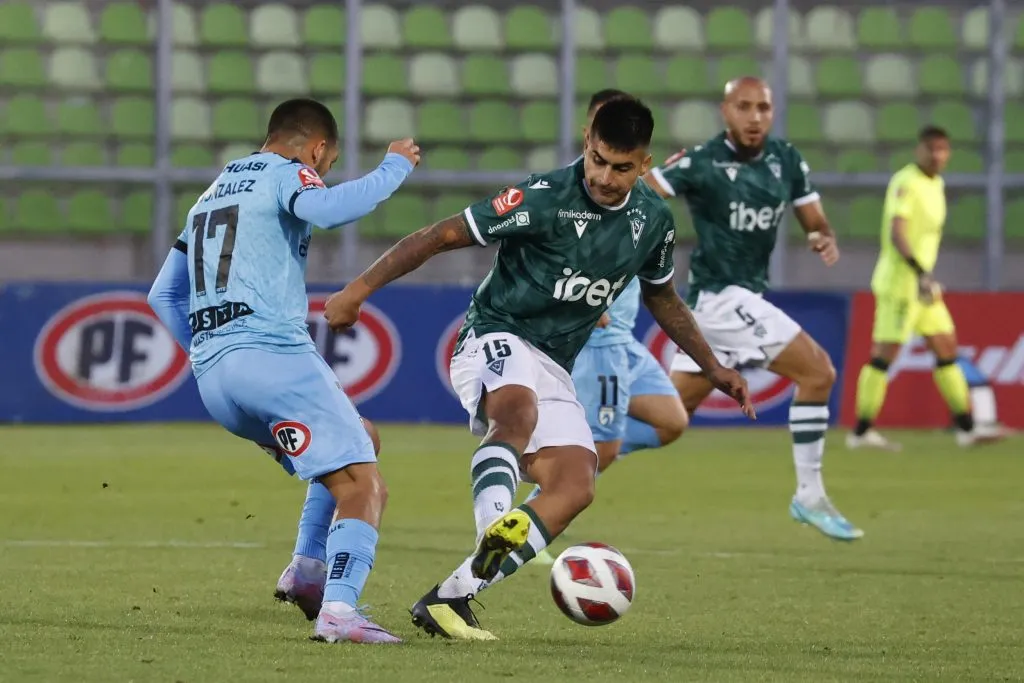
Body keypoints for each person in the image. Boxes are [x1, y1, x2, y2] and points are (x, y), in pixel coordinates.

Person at [322, 97, 754, 640]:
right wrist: (357, 291)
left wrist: (711, 365)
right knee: (516, 412)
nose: (605, 176)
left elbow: (663, 297)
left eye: (621, 167)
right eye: (598, 159)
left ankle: (452, 597)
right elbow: (440, 236)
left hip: (554, 362)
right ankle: (492, 525)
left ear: (645, 164)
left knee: (576, 484)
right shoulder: (542, 197)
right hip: (492, 334)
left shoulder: (653, 221)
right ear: (586, 142)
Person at [146, 98, 420, 643]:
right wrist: (395, 166)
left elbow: (163, 294)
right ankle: (340, 613)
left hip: (218, 383)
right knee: (365, 486)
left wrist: (207, 353)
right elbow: (327, 210)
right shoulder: (289, 174)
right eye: (328, 164)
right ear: (317, 149)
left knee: (357, 438)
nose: (322, 174)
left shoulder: (211, 192)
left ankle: (307, 567)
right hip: (272, 357)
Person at [643, 77, 863, 542]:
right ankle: (809, 494)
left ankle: (561, 474)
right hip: (721, 298)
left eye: (762, 106)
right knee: (818, 373)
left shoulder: (786, 160)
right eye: (744, 107)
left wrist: (822, 234)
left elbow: (814, 217)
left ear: (773, 110)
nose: (754, 116)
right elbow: (640, 192)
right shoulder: (701, 162)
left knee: (668, 420)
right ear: (726, 111)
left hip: (733, 304)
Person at [522, 89, 689, 566]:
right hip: (599, 337)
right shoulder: (573, 195)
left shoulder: (637, 198)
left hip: (626, 338)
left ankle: (546, 461)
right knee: (603, 451)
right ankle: (530, 518)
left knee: (671, 420)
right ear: (589, 135)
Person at [847, 126, 1005, 450]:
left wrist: (925, 276)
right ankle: (861, 433)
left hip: (923, 285)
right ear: (919, 150)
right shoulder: (906, 182)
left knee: (946, 346)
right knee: (884, 355)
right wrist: (919, 271)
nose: (937, 155)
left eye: (943, 150)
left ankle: (967, 427)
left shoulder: (937, 184)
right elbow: (897, 232)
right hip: (901, 283)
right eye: (931, 148)